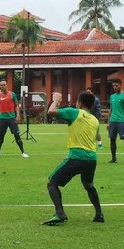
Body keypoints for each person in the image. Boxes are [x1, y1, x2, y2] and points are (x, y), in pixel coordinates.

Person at [42, 91, 104, 225]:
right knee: (88, 185)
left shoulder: (74, 112)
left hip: (76, 157)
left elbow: (51, 112)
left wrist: (56, 101)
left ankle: (60, 213)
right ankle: (99, 214)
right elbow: (97, 137)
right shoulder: (95, 120)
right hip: (91, 158)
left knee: (51, 183)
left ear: (79, 103)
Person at [0, 79, 29, 158]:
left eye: (4, 85)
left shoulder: (12, 94)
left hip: (11, 118)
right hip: (2, 119)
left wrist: (18, 115)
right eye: (1, 85)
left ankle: (23, 152)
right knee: (1, 136)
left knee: (16, 135)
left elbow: (16, 106)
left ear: (6, 85)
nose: (3, 86)